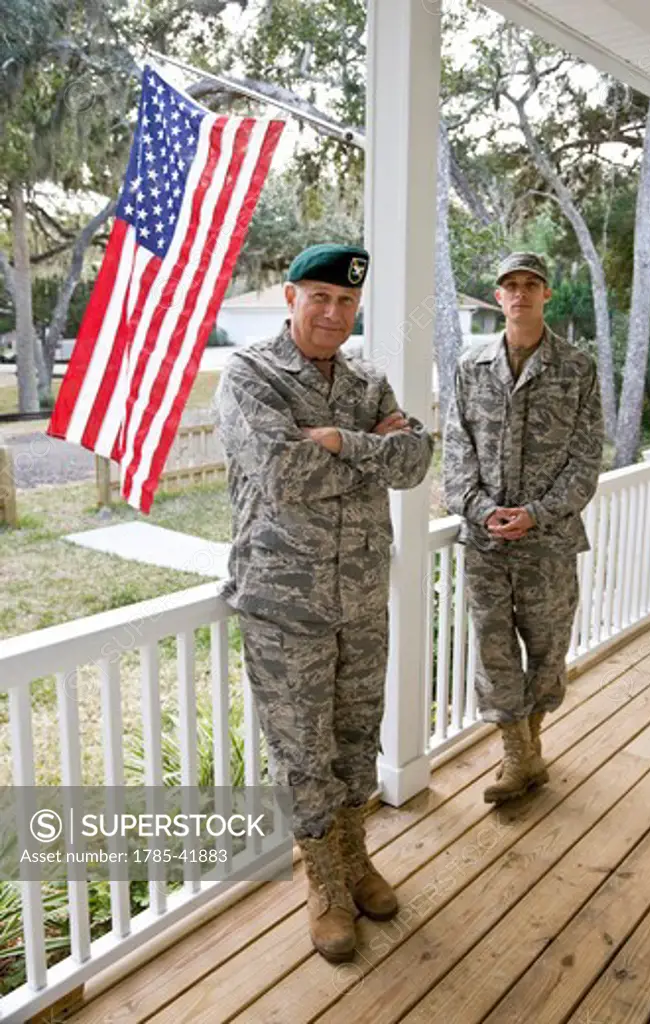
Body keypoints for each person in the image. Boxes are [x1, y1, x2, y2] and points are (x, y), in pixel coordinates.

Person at [213, 243, 433, 962]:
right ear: (290, 297)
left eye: (345, 302)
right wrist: (370, 451)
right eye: (320, 298)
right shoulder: (251, 372)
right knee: (304, 752)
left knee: (353, 738)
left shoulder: (368, 380)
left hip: (362, 594)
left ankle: (356, 855)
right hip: (285, 601)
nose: (333, 313)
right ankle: (325, 884)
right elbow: (281, 473)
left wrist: (340, 441)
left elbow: (416, 461)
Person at [443, 251, 604, 805]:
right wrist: (480, 507)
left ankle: (530, 748)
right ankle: (519, 757)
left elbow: (586, 460)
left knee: (547, 646)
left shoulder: (576, 368)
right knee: (493, 650)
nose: (520, 294)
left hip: (549, 541)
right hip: (486, 542)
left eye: (530, 284)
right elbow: (455, 449)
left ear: (546, 294)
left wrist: (537, 512)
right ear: (497, 296)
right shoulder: (471, 368)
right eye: (509, 285)